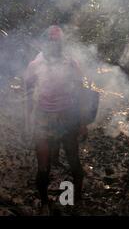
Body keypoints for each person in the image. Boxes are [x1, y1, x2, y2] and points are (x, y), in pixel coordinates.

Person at [24, 25, 87, 215]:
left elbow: (80, 94)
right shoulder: (35, 65)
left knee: (74, 161)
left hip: (67, 118)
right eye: (51, 40)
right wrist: (28, 121)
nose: (55, 44)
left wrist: (83, 123)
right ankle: (44, 203)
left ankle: (78, 198)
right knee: (43, 167)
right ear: (46, 42)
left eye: (58, 41)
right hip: (43, 119)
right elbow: (28, 93)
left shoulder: (71, 64)